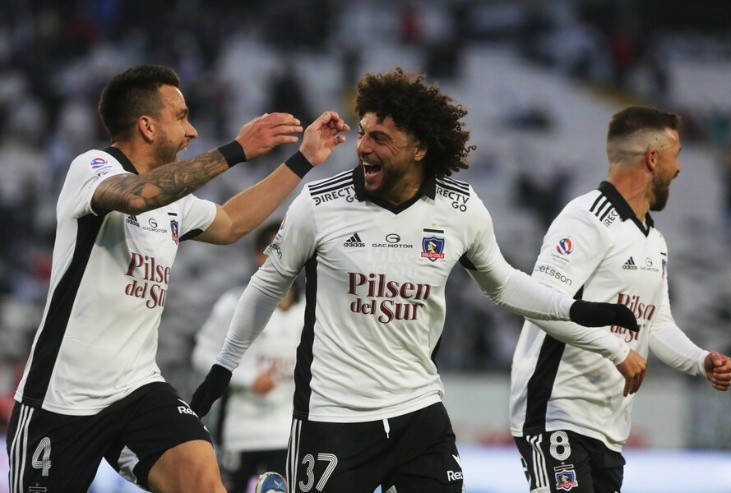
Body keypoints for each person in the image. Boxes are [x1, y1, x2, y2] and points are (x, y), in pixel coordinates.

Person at [190, 67, 642, 493]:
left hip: (417, 412)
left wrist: (579, 311)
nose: (362, 147)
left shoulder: (460, 208)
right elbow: (268, 284)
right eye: (362, 133)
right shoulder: (320, 203)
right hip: (333, 416)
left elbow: (503, 285)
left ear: (419, 148)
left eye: (379, 138)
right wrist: (224, 367)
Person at [6, 64, 349, 493]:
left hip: (136, 387)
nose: (192, 131)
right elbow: (136, 196)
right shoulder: (92, 168)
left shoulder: (174, 202)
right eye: (182, 117)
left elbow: (231, 223)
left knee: (202, 479)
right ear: (147, 126)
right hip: (62, 398)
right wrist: (236, 149)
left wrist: (303, 160)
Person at [509, 106, 731, 493]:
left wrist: (701, 361)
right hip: (556, 412)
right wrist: (615, 349)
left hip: (608, 427)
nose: (679, 169)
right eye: (676, 155)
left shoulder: (654, 240)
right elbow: (541, 303)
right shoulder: (586, 218)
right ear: (653, 158)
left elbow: (655, 324)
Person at [192, 220, 303, 492]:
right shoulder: (233, 304)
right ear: (259, 256)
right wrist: (248, 378)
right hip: (242, 431)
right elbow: (201, 355)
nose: (284, 258)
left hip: (287, 430)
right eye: (275, 250)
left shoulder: (312, 309)